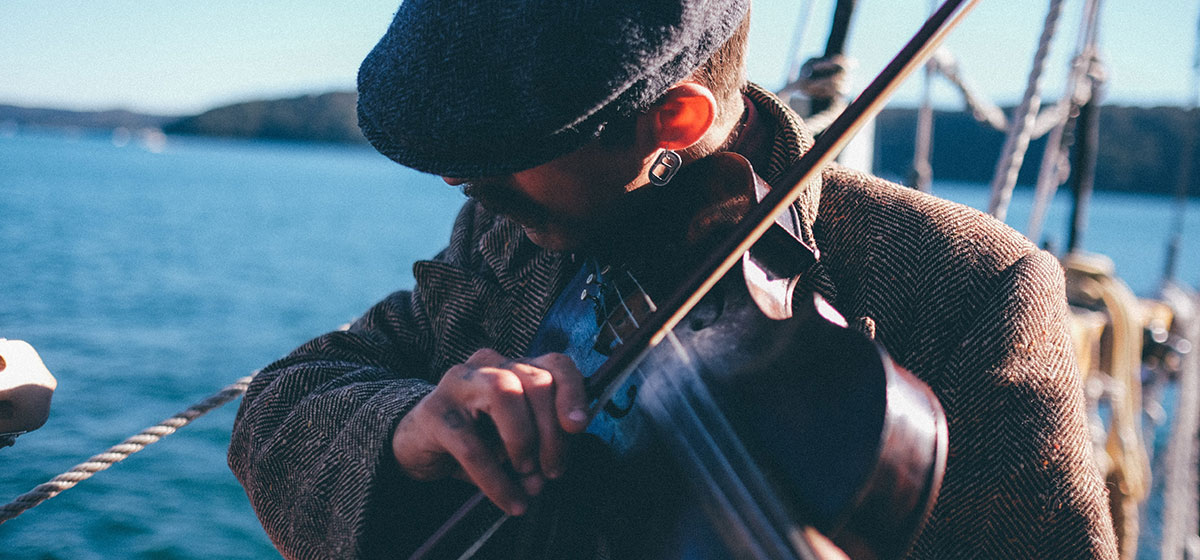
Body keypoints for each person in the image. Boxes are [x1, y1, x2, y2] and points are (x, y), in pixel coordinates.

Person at [228, 0, 1119, 558]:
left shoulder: (968, 288)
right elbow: (284, 402)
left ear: (676, 116)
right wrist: (407, 428)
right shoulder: (513, 236)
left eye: (510, 156)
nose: (466, 188)